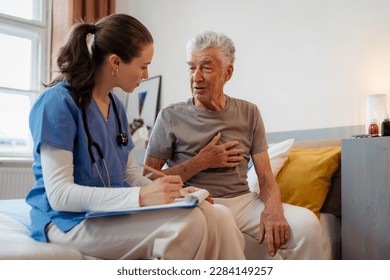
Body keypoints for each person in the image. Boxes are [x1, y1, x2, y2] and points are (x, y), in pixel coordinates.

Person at [26, 15, 245, 260]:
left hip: (112, 210)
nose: (146, 73)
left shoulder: (116, 106)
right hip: (68, 220)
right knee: (191, 224)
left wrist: (175, 192)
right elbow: (60, 195)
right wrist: (140, 197)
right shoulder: (58, 103)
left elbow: (129, 175)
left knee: (219, 215)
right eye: (143, 65)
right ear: (116, 62)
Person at [143, 30, 323, 259]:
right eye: (191, 67)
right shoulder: (170, 116)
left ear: (228, 73)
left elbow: (266, 178)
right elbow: (147, 180)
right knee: (219, 219)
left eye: (206, 67)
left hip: (243, 202)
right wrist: (202, 161)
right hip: (196, 203)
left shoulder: (249, 112)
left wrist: (273, 210)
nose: (196, 77)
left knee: (307, 225)